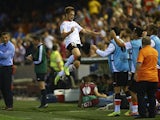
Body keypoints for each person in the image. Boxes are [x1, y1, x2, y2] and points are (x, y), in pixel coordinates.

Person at [54, 6, 100, 85]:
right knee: (77, 54)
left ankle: (61, 73)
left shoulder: (75, 23)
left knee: (77, 65)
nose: (72, 16)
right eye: (71, 15)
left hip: (78, 44)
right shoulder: (64, 24)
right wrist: (70, 32)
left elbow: (84, 31)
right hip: (70, 43)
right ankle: (65, 67)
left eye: (73, 15)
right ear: (66, 15)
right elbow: (63, 35)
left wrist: (93, 33)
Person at [91, 29, 131, 117]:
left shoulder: (113, 43)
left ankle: (117, 110)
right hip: (125, 68)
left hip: (117, 69)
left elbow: (104, 54)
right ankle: (132, 109)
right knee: (126, 89)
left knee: (117, 90)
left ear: (112, 33)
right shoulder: (123, 41)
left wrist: (95, 49)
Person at [134, 36, 158, 119]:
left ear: (142, 43)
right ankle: (152, 114)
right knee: (152, 96)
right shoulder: (155, 51)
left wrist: (136, 73)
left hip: (144, 77)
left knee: (141, 96)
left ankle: (143, 114)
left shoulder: (142, 51)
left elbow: (139, 63)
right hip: (154, 77)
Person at [26, 35, 48, 108]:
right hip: (39, 69)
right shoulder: (39, 48)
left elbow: (40, 60)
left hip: (41, 69)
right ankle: (44, 102)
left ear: (37, 40)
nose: (32, 42)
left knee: (42, 85)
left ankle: (44, 103)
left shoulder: (41, 47)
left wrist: (31, 59)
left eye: (33, 40)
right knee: (42, 85)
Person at [0, 32, 15, 110]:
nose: (5, 39)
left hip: (7, 68)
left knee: (7, 87)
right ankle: (7, 105)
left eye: (6, 37)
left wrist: (1, 54)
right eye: (3, 38)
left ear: (9, 37)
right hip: (1, 68)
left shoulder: (11, 46)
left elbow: (5, 56)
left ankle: (10, 105)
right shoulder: (1, 46)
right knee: (2, 87)